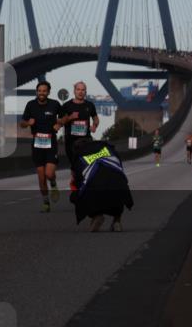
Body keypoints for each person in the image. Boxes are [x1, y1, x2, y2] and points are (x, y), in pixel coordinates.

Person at [69, 136, 134, 232]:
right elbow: (120, 172)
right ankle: (117, 221)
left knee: (77, 193)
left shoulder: (79, 157)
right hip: (119, 191)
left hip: (96, 193)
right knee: (118, 185)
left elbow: (76, 184)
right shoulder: (108, 148)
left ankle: (96, 215)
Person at [20, 81, 63, 212]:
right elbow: (22, 123)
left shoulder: (55, 104)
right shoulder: (30, 105)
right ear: (37, 92)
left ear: (48, 92)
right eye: (39, 91)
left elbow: (64, 118)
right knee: (41, 176)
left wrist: (59, 124)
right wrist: (28, 123)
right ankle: (46, 203)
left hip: (51, 143)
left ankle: (53, 184)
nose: (41, 93)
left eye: (44, 91)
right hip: (37, 144)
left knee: (49, 174)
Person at [60, 81, 100, 179]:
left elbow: (95, 118)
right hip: (71, 141)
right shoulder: (67, 105)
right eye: (78, 89)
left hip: (86, 140)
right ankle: (75, 184)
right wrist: (70, 117)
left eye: (83, 90)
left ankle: (85, 184)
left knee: (86, 165)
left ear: (85, 92)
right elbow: (60, 122)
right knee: (75, 167)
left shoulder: (90, 105)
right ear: (74, 91)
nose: (80, 92)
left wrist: (94, 125)